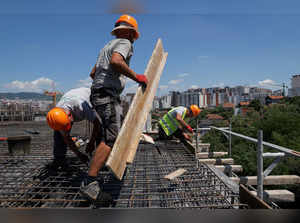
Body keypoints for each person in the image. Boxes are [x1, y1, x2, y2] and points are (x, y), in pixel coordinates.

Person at [79, 14, 148, 204]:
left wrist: (104, 84)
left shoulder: (106, 47)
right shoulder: (124, 42)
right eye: (133, 34)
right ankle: (89, 182)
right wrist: (136, 77)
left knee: (109, 134)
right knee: (112, 137)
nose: (134, 38)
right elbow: (117, 62)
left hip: (100, 93)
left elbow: (93, 73)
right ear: (129, 32)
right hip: (106, 95)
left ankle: (97, 168)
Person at [46, 87, 99, 172]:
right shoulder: (58, 116)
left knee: (101, 131)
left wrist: (92, 143)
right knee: (59, 136)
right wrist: (79, 154)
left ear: (70, 115)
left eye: (68, 124)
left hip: (92, 97)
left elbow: (97, 124)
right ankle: (59, 160)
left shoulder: (82, 106)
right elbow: (66, 138)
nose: (67, 128)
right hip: (72, 101)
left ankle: (100, 159)